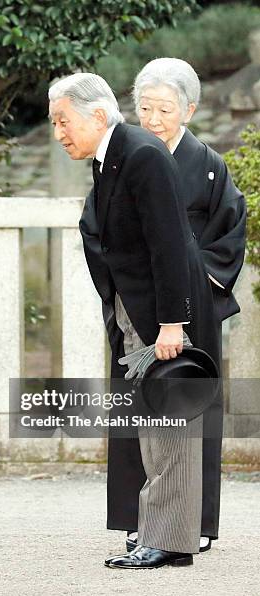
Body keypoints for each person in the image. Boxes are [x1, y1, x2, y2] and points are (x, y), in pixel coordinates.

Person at [49, 73, 219, 568]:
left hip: (159, 315)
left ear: (97, 115)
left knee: (168, 422)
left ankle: (167, 539)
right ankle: (162, 532)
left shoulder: (141, 154)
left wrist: (171, 325)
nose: (59, 132)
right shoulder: (112, 157)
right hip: (136, 307)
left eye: (64, 120)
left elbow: (169, 244)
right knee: (151, 419)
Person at [105, 58, 246, 555]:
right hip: (137, 300)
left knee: (188, 409)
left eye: (165, 108)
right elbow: (100, 227)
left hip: (190, 306)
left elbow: (229, 234)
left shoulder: (208, 164)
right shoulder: (121, 159)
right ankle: (136, 518)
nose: (154, 118)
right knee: (135, 410)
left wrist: (190, 281)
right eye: (144, 107)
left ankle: (196, 522)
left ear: (189, 109)